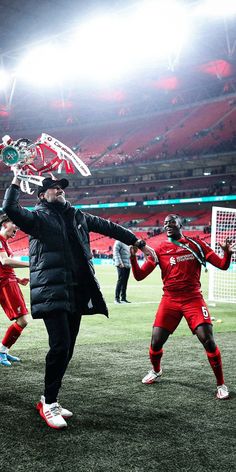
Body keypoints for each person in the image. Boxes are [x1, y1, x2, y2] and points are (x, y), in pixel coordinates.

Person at [3, 175, 156, 430]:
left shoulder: (77, 215)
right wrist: (17, 180)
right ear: (42, 195)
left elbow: (110, 228)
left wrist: (138, 242)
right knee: (60, 346)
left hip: (76, 291)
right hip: (52, 291)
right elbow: (10, 209)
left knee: (68, 348)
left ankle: (49, 399)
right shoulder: (37, 219)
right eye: (53, 188)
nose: (59, 190)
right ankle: (49, 402)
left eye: (61, 187)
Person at [130, 214, 235, 400]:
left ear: (180, 225)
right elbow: (139, 276)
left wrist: (227, 253)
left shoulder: (196, 245)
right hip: (170, 300)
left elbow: (222, 265)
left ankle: (221, 384)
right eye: (165, 224)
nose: (167, 226)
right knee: (156, 342)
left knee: (208, 340)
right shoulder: (159, 249)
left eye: (171, 223)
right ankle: (156, 370)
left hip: (193, 299)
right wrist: (132, 259)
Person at [0, 212, 29, 367]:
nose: (17, 228)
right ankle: (2, 351)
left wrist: (17, 279)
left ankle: (4, 350)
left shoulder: (5, 242)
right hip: (4, 284)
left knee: (22, 320)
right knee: (22, 320)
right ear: (5, 224)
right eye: (14, 224)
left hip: (10, 282)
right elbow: (4, 261)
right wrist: (32, 264)